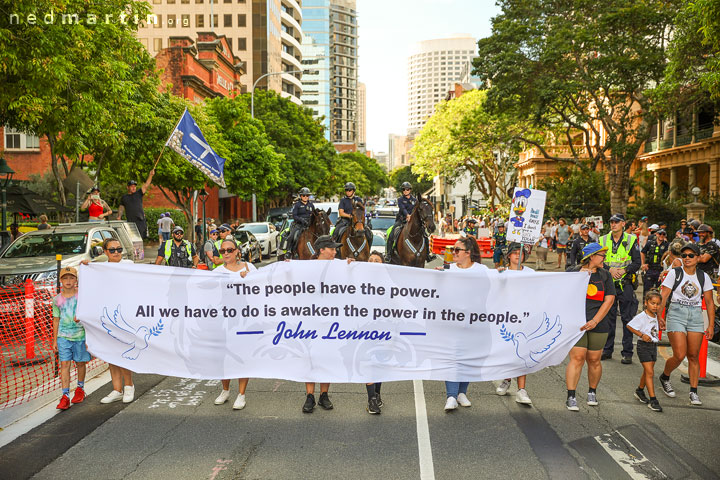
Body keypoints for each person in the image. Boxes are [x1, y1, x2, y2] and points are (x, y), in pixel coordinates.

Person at [434, 236, 489, 411]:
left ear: (468, 253)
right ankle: (451, 396)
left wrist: (504, 273)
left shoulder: (482, 270)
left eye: (457, 250)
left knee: (468, 357)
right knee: (453, 357)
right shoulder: (448, 269)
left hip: (474, 322)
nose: (453, 253)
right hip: (452, 323)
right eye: (452, 249)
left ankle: (461, 392)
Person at [658, 243, 715, 406]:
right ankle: (665, 377)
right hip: (676, 312)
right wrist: (659, 317)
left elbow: (710, 302)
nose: (687, 258)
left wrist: (710, 325)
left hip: (696, 315)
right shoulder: (674, 273)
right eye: (684, 255)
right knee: (679, 354)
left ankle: (693, 391)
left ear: (698, 258)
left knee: (693, 355)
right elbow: (664, 295)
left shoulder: (703, 277)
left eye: (691, 255)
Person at [565, 243, 616, 411]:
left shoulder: (605, 275)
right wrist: (580, 276)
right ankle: (571, 396)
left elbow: (609, 300)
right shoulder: (573, 272)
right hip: (577, 324)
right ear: (591, 256)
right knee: (578, 358)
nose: (604, 258)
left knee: (594, 360)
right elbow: (559, 290)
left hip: (599, 323)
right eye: (601, 255)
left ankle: (592, 392)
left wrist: (595, 321)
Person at [212, 237, 257, 410]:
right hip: (224, 319)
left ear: (237, 251)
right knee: (223, 356)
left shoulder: (249, 268)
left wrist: (249, 278)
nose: (226, 254)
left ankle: (241, 394)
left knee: (241, 355)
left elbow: (263, 286)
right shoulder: (216, 271)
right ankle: (225, 390)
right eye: (222, 251)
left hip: (244, 318)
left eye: (229, 250)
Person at [303, 235, 342, 413]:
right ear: (321, 250)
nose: (335, 251)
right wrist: (286, 267)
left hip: (330, 321)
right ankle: (309, 396)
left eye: (335, 249)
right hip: (310, 320)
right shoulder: (305, 267)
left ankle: (324, 395)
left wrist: (352, 266)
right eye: (332, 248)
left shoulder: (339, 266)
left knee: (327, 357)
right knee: (310, 358)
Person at [96, 238, 136, 403]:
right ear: (105, 252)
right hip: (108, 316)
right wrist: (85, 266)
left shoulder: (129, 265)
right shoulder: (99, 268)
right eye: (112, 250)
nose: (116, 253)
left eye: (119, 249)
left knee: (123, 353)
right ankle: (116, 389)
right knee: (111, 354)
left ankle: (129, 386)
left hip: (125, 316)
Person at [495, 242, 534, 405]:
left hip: (524, 319)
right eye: (515, 252)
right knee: (508, 352)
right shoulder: (502, 273)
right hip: (507, 319)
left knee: (522, 354)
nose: (518, 255)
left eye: (521, 253)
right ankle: (506, 379)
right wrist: (497, 276)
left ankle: (522, 390)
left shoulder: (531, 273)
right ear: (508, 255)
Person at [599, 213, 641, 364]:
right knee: (608, 318)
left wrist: (624, 270)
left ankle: (627, 352)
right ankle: (607, 350)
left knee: (627, 318)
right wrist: (609, 269)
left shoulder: (631, 240)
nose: (613, 224)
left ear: (623, 224)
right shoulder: (603, 239)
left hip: (626, 283)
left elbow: (637, 262)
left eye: (616, 222)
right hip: (608, 283)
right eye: (611, 222)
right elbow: (598, 259)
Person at [52, 267, 91, 410]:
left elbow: (89, 314)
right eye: (65, 278)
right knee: (65, 365)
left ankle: (80, 389)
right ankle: (65, 396)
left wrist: (81, 319)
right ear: (61, 280)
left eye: (71, 278)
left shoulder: (82, 297)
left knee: (80, 363)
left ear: (76, 280)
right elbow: (56, 320)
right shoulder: (57, 299)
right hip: (63, 336)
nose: (68, 281)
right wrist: (55, 340)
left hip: (80, 336)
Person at [627, 291, 663, 412]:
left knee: (648, 371)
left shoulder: (656, 316)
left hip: (653, 346)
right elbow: (629, 326)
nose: (655, 306)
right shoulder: (642, 316)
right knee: (650, 372)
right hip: (643, 346)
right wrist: (642, 335)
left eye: (658, 304)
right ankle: (653, 400)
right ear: (646, 303)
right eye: (653, 303)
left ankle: (640, 390)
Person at [366, 249, 385, 413]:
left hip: (383, 330)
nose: (372, 263)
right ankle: (371, 399)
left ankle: (377, 393)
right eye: (370, 260)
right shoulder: (358, 280)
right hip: (364, 330)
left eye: (376, 260)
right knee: (368, 364)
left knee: (379, 364)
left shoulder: (388, 282)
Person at [117, 169, 155, 238]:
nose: (134, 188)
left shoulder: (139, 193)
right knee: (133, 238)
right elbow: (121, 208)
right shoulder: (124, 197)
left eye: (134, 186)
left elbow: (146, 185)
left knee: (141, 238)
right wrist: (119, 216)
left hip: (140, 221)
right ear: (127, 187)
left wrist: (150, 175)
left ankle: (140, 249)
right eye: (132, 186)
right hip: (131, 222)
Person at [386, 182, 417, 260]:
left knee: (424, 233)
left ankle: (427, 254)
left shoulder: (415, 200)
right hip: (402, 220)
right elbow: (402, 208)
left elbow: (416, 210)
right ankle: (389, 254)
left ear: (410, 190)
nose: (405, 191)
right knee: (392, 234)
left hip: (412, 221)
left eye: (407, 189)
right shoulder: (400, 199)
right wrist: (407, 215)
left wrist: (412, 217)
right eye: (404, 189)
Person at [285, 187, 315, 257]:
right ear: (301, 196)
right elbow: (294, 216)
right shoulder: (297, 205)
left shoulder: (311, 205)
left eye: (307, 195)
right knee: (292, 235)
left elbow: (314, 215)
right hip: (299, 224)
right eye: (303, 195)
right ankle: (289, 251)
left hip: (309, 224)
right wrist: (302, 220)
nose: (305, 197)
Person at [641, 229, 669, 297]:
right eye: (660, 234)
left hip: (660, 270)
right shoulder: (650, 243)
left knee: (660, 290)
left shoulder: (667, 245)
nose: (661, 236)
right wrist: (643, 264)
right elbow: (642, 252)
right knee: (647, 290)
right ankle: (645, 306)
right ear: (656, 234)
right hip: (650, 269)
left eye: (663, 234)